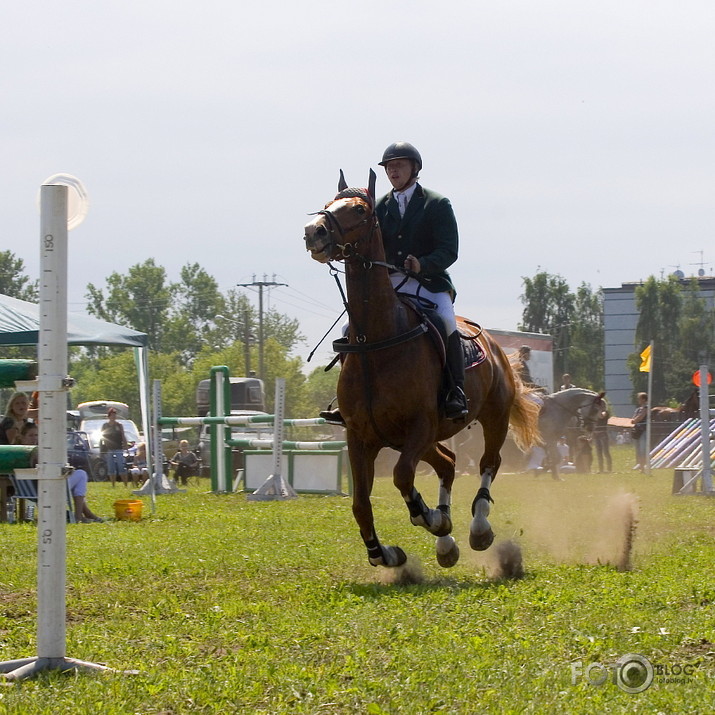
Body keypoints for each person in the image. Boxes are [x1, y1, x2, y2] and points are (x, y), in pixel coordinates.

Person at [321, 141, 467, 424]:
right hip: (389, 284)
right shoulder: (380, 206)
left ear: (414, 168)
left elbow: (450, 250)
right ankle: (349, 399)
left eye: (399, 164)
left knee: (446, 323)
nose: (393, 170)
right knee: (349, 328)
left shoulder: (436, 204)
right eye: (389, 166)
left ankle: (455, 391)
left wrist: (422, 263)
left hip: (428, 282)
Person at [20, 422, 103, 523]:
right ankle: (79, 516)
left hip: (33, 490)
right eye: (30, 435)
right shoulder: (36, 453)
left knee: (77, 477)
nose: (34, 438)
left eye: (36, 435)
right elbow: (45, 472)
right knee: (81, 474)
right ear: (23, 437)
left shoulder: (20, 452)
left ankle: (84, 514)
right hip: (47, 488)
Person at [99, 408, 129, 487]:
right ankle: (113, 485)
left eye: (114, 415)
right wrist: (101, 449)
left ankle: (125, 484)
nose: (113, 417)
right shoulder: (105, 426)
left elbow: (123, 436)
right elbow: (102, 437)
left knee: (121, 466)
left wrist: (126, 447)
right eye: (112, 415)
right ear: (109, 416)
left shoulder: (119, 425)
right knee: (111, 467)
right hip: (109, 449)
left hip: (118, 448)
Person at [593, 397, 612, 473]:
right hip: (596, 435)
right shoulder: (595, 412)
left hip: (603, 434)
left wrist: (599, 409)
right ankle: (601, 469)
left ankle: (609, 469)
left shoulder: (606, 412)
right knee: (599, 453)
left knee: (605, 452)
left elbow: (601, 416)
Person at [631, 392, 648, 472]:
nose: (638, 400)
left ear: (644, 399)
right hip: (637, 431)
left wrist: (634, 420)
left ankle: (643, 466)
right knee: (638, 450)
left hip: (643, 431)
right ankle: (640, 465)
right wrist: (633, 420)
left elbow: (640, 417)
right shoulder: (638, 409)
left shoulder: (646, 408)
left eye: (639, 398)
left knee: (642, 449)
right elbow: (634, 417)